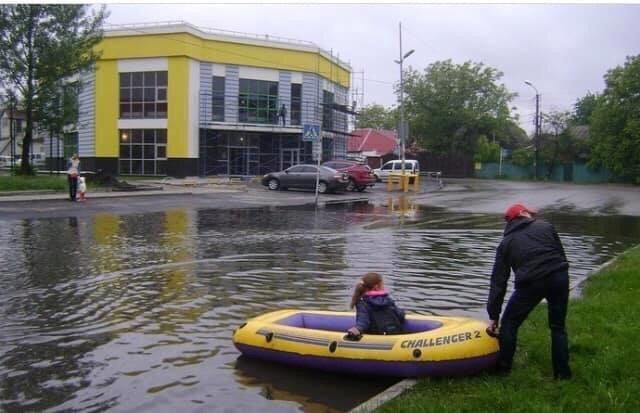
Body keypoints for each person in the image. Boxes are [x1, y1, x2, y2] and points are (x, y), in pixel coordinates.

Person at [486, 203, 572, 379]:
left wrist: (494, 315)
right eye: (530, 213)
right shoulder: (546, 226)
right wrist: (560, 274)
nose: (533, 215)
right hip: (559, 277)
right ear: (523, 213)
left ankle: (503, 369)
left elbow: (498, 282)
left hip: (531, 283)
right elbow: (561, 255)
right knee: (558, 327)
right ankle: (562, 374)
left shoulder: (505, 244)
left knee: (509, 323)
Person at [347, 272, 405, 338]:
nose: (384, 286)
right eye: (383, 284)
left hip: (376, 336)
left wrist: (357, 329)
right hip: (395, 333)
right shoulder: (387, 300)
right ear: (376, 286)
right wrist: (403, 312)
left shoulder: (362, 303)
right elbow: (400, 315)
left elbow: (363, 322)